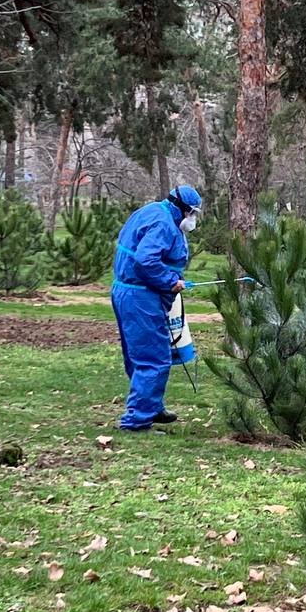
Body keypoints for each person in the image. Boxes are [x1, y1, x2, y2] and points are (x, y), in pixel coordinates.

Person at [111, 184, 202, 431]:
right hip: (141, 298)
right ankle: (137, 421)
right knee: (154, 359)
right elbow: (145, 261)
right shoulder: (163, 224)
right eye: (192, 212)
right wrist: (171, 281)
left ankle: (151, 406)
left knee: (139, 355)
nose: (192, 218)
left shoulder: (152, 211)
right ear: (181, 208)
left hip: (129, 293)